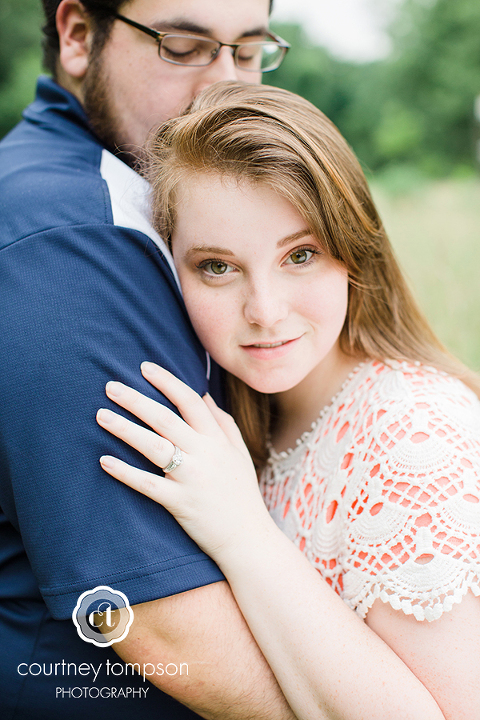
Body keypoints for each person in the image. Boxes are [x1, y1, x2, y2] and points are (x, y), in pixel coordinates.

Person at [97, 81, 480, 720]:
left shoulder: (413, 433)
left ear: (353, 251)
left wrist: (240, 531)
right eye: (217, 266)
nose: (265, 313)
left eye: (300, 255)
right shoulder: (248, 419)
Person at [0, 2, 297, 719]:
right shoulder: (79, 233)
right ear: (78, 36)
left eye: (249, 50)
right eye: (184, 45)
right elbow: (176, 633)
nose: (227, 86)